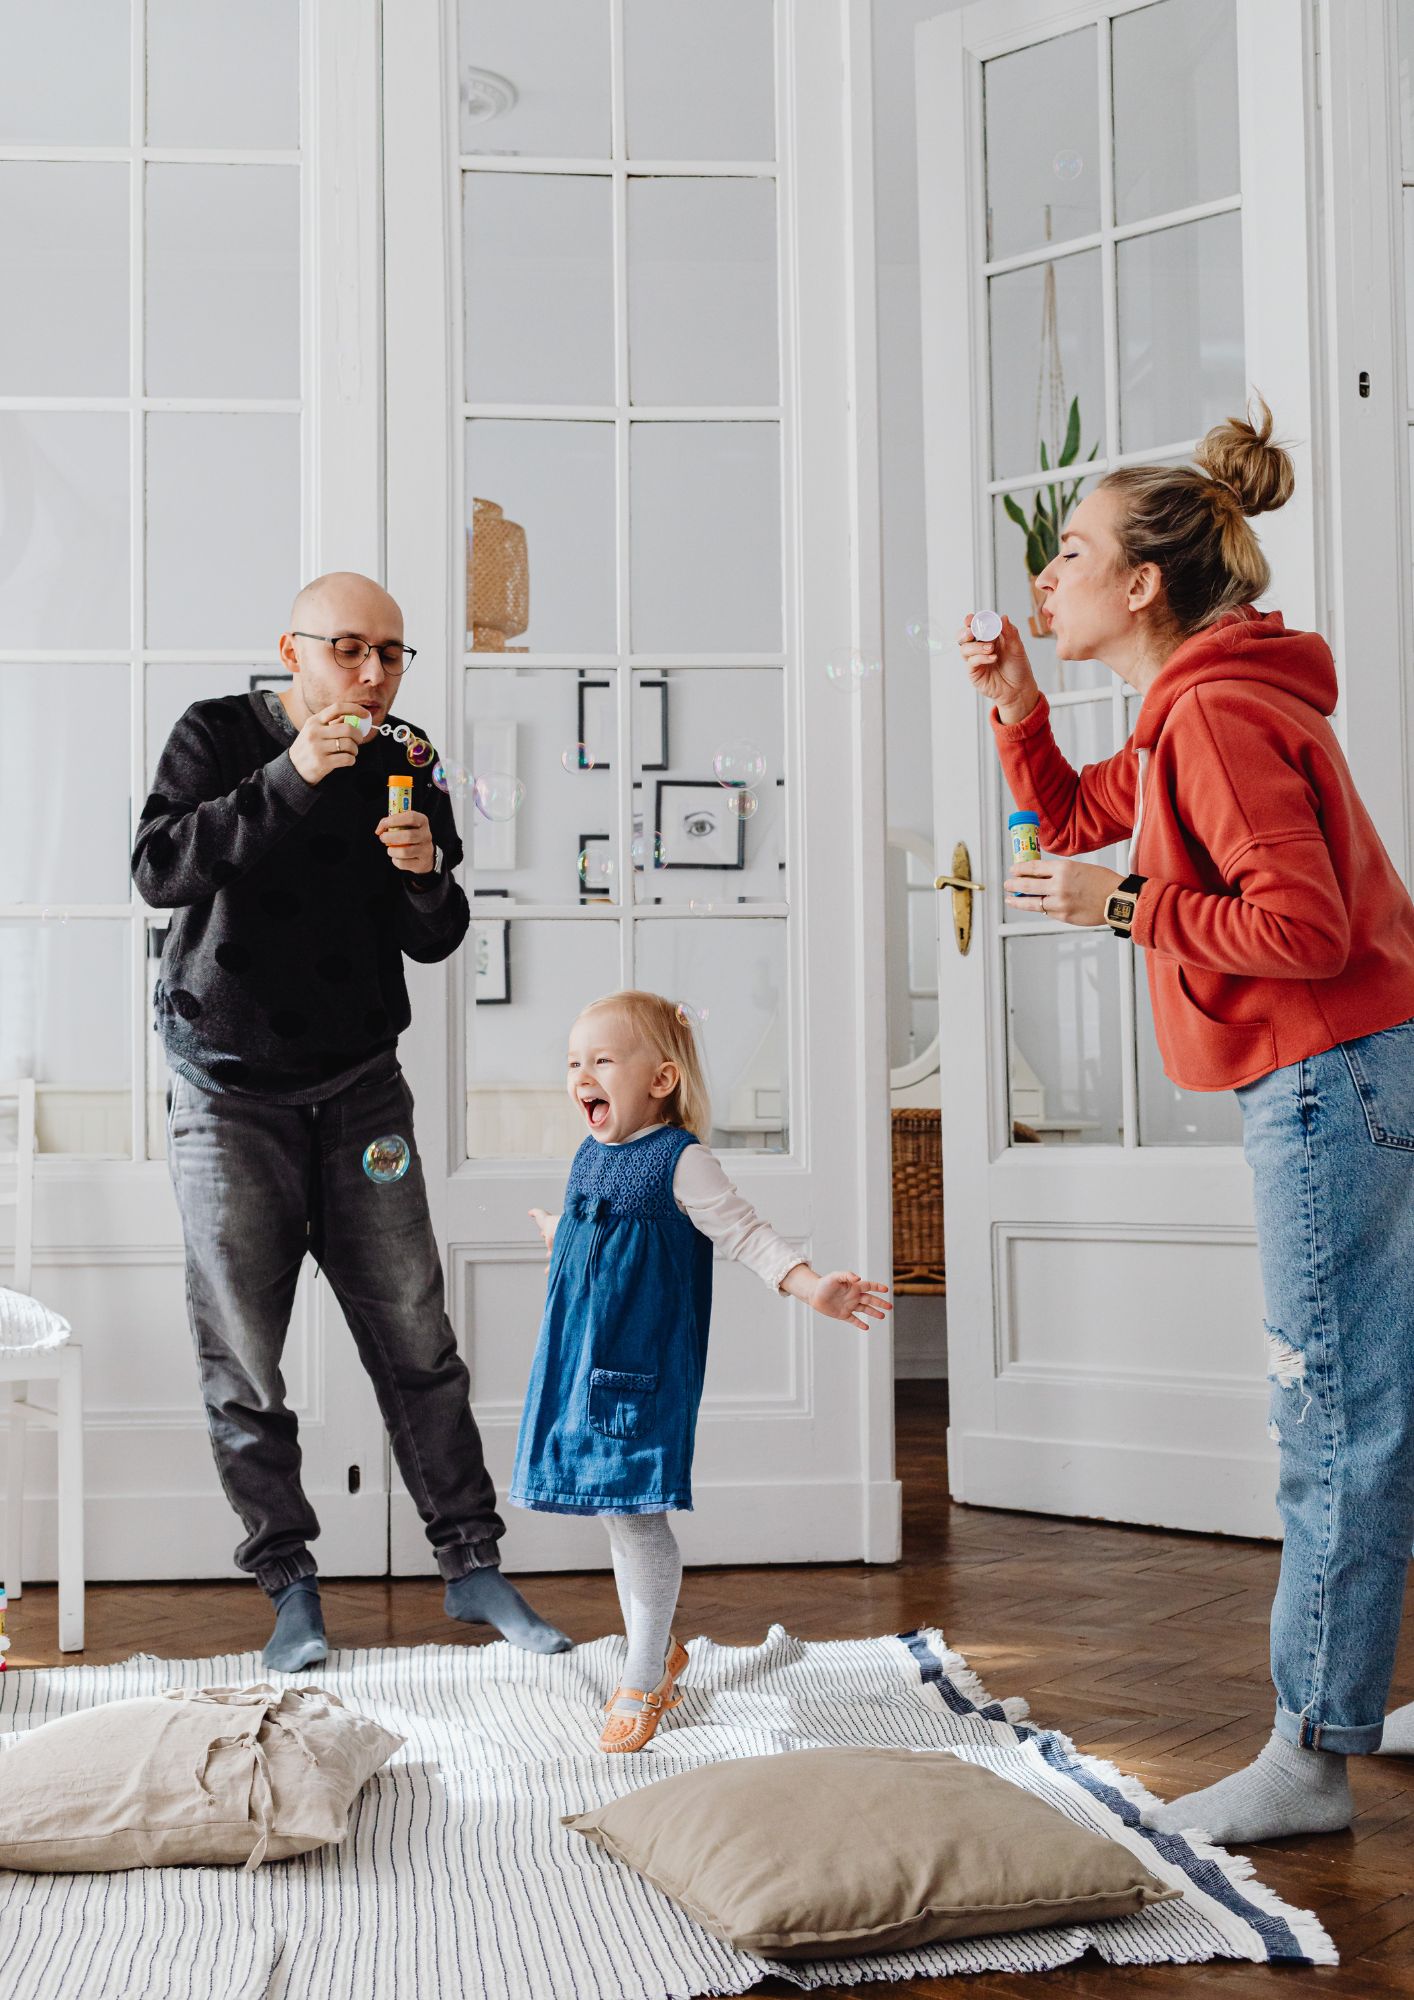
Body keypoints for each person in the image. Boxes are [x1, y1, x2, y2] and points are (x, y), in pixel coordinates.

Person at [960, 400, 1414, 1843]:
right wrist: (1019, 700)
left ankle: (1307, 1754)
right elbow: (1085, 809)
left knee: (1333, 1415)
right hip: (1362, 1065)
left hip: (1324, 1074)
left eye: (1073, 553)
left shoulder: (1210, 711)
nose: (1051, 575)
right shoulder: (1201, 706)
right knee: (1385, 1401)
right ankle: (1337, 1715)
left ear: (1142, 583)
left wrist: (1127, 912)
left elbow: (1299, 923)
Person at [132, 571, 570, 1672]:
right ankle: (289, 1585)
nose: (371, 675)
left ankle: (472, 1564)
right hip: (226, 1094)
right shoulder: (218, 734)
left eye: (391, 653)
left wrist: (426, 878)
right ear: (294, 647)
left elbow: (435, 933)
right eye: (348, 649)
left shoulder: (405, 753)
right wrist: (287, 777)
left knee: (416, 1333)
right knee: (244, 1354)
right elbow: (157, 868)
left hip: (362, 1089)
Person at [513, 989, 892, 1751]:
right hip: (579, 1363)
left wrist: (813, 1285)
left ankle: (646, 1672)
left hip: (639, 1368)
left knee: (638, 1513)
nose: (583, 1075)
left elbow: (747, 1235)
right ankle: (653, 1652)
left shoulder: (681, 1161)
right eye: (574, 1063)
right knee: (618, 1516)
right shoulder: (592, 1152)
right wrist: (564, 1233)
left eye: (603, 1061)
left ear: (659, 1080)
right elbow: (603, 1237)